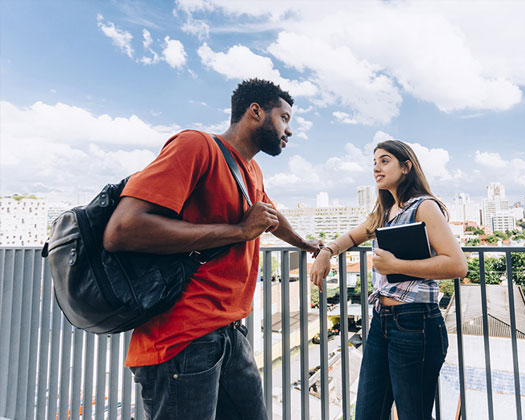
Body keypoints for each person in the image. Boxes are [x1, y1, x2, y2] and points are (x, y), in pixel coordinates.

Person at [103, 78, 321, 420]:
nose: (289, 130)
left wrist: (306, 244)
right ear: (255, 112)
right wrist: (239, 231)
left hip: (230, 333)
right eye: (284, 118)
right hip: (182, 337)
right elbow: (122, 230)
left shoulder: (251, 169)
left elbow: (271, 215)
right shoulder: (196, 146)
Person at [310, 140, 468, 419]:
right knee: (368, 412)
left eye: (384, 161)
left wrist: (395, 264)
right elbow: (353, 235)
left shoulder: (423, 207)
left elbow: (457, 265)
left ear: (406, 167)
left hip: (416, 322)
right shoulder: (386, 212)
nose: (376, 168)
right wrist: (327, 251)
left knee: (412, 414)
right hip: (382, 321)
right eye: (374, 163)